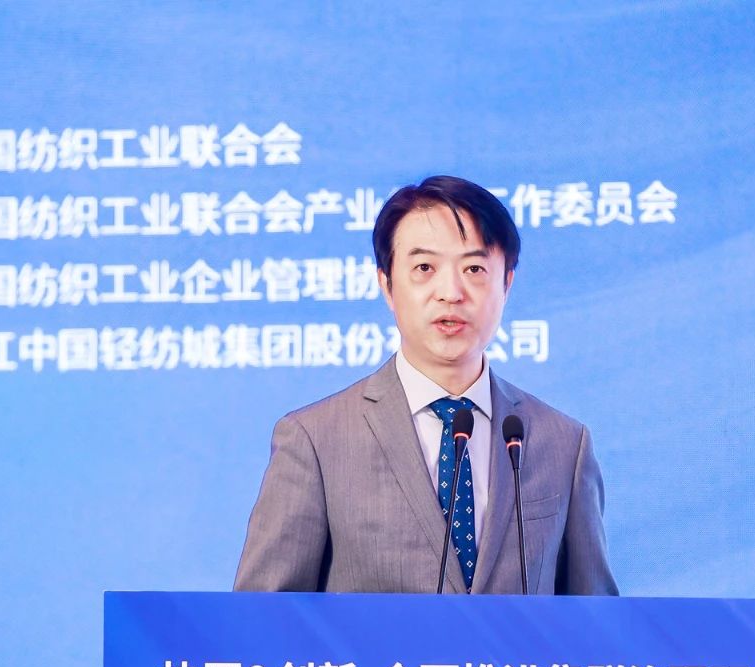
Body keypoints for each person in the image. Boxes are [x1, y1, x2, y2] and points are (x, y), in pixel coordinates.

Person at [233, 176, 616, 595]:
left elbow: (595, 620)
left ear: (506, 284)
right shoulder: (316, 441)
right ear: (387, 284)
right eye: (424, 269)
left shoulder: (563, 444)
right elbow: (261, 617)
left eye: (474, 269)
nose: (450, 293)